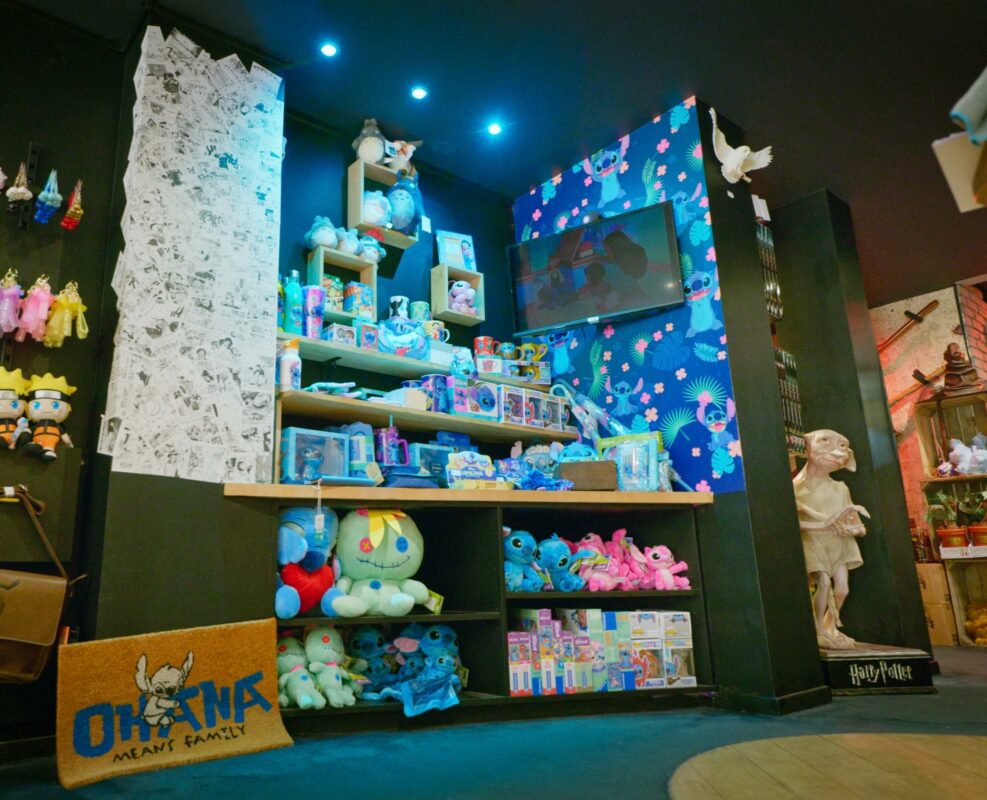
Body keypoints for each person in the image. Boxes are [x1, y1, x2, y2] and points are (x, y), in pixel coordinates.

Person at [792, 429, 870, 649]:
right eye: (825, 442)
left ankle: (829, 626)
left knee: (842, 589)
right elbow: (791, 523)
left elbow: (859, 526)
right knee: (824, 583)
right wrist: (822, 525)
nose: (838, 453)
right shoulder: (796, 488)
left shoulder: (840, 488)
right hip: (813, 542)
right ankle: (817, 628)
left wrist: (852, 530)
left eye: (843, 447)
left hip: (839, 544)